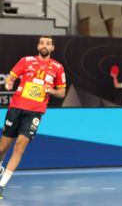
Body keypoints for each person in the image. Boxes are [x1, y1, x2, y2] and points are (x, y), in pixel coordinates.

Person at [0, 36, 66, 199]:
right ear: (38, 46)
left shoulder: (58, 67)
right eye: (42, 43)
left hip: (35, 112)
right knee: (2, 148)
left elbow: (62, 92)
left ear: (52, 48)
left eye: (48, 44)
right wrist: (9, 83)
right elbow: (10, 78)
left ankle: (2, 185)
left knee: (20, 146)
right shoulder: (25, 61)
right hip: (16, 108)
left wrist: (51, 91)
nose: (45, 45)